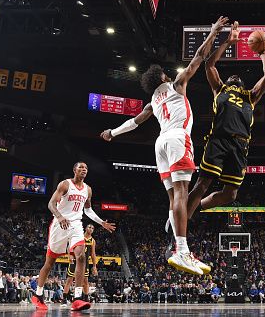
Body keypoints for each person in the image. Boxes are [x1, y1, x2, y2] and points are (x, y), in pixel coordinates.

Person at [100, 16, 230, 275]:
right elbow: (200, 57)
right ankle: (182, 250)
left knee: (174, 198)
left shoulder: (152, 102)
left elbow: (134, 123)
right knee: (183, 194)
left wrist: (112, 133)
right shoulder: (177, 85)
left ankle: (177, 242)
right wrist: (214, 32)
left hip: (160, 143)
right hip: (177, 138)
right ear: (161, 76)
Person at [183, 22, 265, 225]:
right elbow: (210, 64)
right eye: (231, 76)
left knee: (230, 195)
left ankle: (190, 209)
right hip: (219, 140)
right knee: (203, 183)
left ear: (241, 83)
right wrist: (228, 41)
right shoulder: (219, 89)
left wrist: (262, 53)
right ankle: (179, 228)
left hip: (240, 145)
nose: (234, 76)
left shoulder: (251, 97)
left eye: (237, 77)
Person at [31, 162, 116, 311]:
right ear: (74, 170)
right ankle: (38, 295)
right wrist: (59, 216)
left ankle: (77, 298)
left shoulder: (88, 189)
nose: (84, 170)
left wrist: (102, 222)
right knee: (49, 262)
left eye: (86, 168)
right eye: (81, 167)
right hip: (60, 224)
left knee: (82, 256)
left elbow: (88, 210)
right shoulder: (65, 184)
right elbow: (51, 204)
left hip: (76, 225)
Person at [62, 224, 97, 305]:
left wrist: (94, 266)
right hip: (75, 260)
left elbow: (93, 254)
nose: (91, 229)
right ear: (85, 228)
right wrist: (70, 254)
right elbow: (70, 245)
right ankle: (64, 299)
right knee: (69, 280)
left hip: (85, 262)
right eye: (89, 227)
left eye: (92, 228)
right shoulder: (79, 237)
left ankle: (85, 298)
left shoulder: (92, 241)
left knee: (85, 281)